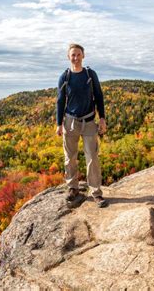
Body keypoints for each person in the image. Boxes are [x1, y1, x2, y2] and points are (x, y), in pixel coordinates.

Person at [56, 43, 108, 208]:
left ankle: (96, 193)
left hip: (89, 121)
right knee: (69, 157)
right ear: (68, 57)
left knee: (92, 158)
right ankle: (73, 188)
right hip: (70, 122)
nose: (76, 58)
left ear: (83, 56)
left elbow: (99, 96)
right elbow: (60, 101)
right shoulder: (64, 77)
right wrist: (59, 124)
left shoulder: (90, 75)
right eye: (73, 55)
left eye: (78, 54)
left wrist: (102, 118)